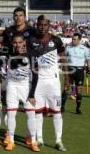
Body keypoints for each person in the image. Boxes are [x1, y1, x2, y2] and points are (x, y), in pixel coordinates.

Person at [27, 15, 69, 151]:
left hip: (53, 82)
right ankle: (39, 139)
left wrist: (67, 78)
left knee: (57, 112)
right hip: (37, 81)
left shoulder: (56, 40)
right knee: (37, 112)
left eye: (45, 25)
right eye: (40, 25)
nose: (43, 27)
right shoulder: (31, 40)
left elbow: (63, 59)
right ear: (37, 25)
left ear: (49, 25)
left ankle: (58, 140)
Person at [4, 33, 40, 152]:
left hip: (26, 87)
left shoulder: (31, 54)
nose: (17, 45)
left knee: (31, 114)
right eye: (15, 42)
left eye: (20, 42)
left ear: (24, 42)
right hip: (12, 86)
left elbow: (35, 76)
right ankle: (11, 141)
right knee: (11, 114)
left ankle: (33, 141)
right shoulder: (8, 53)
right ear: (12, 43)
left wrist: (32, 94)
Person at [62, 33, 90, 114]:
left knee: (79, 90)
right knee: (66, 88)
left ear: (79, 40)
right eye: (72, 39)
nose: (73, 40)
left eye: (75, 39)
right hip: (70, 70)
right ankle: (62, 107)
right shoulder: (68, 47)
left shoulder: (84, 49)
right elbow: (64, 58)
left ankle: (78, 108)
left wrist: (89, 69)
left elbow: (88, 60)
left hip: (79, 70)